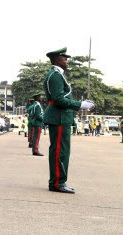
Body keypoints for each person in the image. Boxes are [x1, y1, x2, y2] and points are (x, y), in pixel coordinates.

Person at [43, 47, 94, 194]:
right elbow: (59, 99)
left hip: (62, 117)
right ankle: (58, 183)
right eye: (64, 57)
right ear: (56, 59)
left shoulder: (57, 75)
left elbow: (63, 97)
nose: (67, 60)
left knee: (62, 151)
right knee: (60, 151)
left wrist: (80, 104)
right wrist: (80, 105)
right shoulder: (55, 76)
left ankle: (58, 181)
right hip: (59, 117)